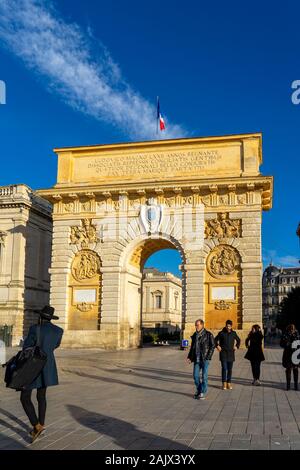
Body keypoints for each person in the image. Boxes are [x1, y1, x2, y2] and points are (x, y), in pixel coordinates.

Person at [20, 305, 63, 443]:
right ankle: (41, 424)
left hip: (33, 366)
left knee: (25, 397)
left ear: (40, 317)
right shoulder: (58, 331)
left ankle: (37, 426)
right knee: (41, 396)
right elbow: (56, 345)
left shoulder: (35, 329)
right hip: (48, 365)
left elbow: (26, 346)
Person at [187, 319, 215, 400]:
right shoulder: (195, 335)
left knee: (204, 376)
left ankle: (202, 392)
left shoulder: (208, 334)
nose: (196, 326)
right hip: (196, 359)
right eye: (195, 325)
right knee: (195, 376)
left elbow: (212, 346)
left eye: (197, 325)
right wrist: (189, 357)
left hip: (205, 359)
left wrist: (208, 357)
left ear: (202, 325)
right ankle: (199, 390)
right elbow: (192, 348)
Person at [214, 319, 241, 390]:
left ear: (231, 326)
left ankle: (229, 383)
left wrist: (236, 346)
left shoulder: (234, 333)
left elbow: (238, 340)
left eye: (229, 326)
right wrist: (217, 346)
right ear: (225, 326)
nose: (228, 327)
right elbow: (214, 340)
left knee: (230, 369)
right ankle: (224, 383)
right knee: (224, 368)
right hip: (223, 353)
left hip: (231, 353)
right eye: (227, 326)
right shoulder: (221, 333)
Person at [280, 324, 300, 391]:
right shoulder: (285, 335)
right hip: (288, 355)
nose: (292, 330)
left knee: (296, 370)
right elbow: (281, 344)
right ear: (289, 329)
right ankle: (288, 386)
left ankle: (296, 386)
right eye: (291, 329)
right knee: (288, 370)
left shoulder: (297, 335)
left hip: (295, 354)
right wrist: (288, 344)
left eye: (293, 329)